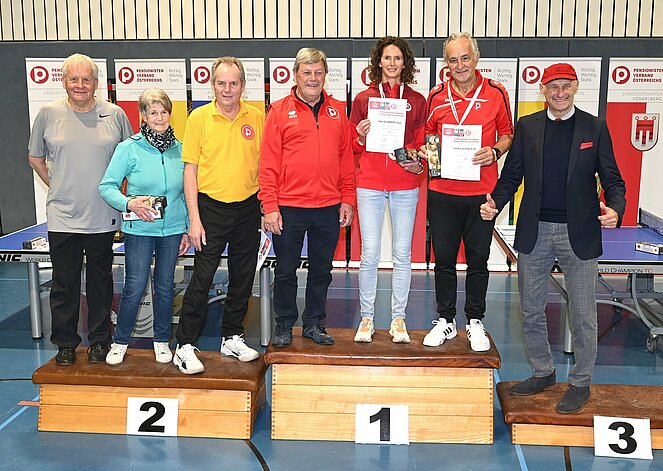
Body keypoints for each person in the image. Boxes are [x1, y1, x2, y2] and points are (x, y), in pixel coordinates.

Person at [480, 63, 626, 414]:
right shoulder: (527, 126)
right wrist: (495, 202)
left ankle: (580, 382)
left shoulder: (594, 126)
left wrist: (616, 209)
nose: (559, 93)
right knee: (531, 309)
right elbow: (512, 174)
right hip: (537, 230)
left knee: (583, 313)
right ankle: (543, 371)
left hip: (580, 232)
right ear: (542, 90)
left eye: (565, 86)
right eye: (553, 87)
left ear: (576, 87)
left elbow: (613, 179)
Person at [28, 53, 133, 366]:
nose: (80, 85)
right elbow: (35, 157)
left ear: (96, 82)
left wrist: (120, 196)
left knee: (101, 283)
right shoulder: (47, 114)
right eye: (74, 79)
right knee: (64, 283)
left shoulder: (115, 115)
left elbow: (131, 159)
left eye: (86, 79)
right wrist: (57, 184)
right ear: (64, 81)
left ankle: (100, 341)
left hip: (103, 215)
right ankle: (65, 344)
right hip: (63, 217)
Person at [422, 32, 514, 352]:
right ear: (445, 64)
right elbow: (429, 136)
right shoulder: (436, 96)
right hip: (443, 191)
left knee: (478, 260)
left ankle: (475, 320)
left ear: (475, 58)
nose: (459, 65)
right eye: (453, 60)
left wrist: (495, 151)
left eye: (465, 58)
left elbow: (508, 134)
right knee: (444, 260)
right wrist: (432, 156)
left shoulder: (496, 92)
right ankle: (445, 319)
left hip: (481, 194)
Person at [172, 57, 264, 374]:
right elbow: (190, 171)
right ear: (212, 85)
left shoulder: (257, 117)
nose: (227, 89)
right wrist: (194, 219)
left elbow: (264, 166)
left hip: (247, 208)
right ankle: (184, 345)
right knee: (202, 278)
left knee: (242, 277)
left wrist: (265, 206)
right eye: (221, 83)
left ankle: (232, 337)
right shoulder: (198, 118)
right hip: (210, 208)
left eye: (233, 83)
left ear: (242, 85)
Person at [260, 47, 356, 347]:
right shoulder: (278, 111)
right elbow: (268, 163)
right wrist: (270, 205)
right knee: (285, 271)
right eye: (307, 73)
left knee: (321, 271)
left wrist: (347, 198)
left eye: (318, 73)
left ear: (325, 75)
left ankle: (314, 323)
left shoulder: (338, 110)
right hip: (289, 206)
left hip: (328, 206)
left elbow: (346, 159)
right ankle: (284, 323)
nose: (313, 78)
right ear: (295, 75)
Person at [99, 89, 190, 365]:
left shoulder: (181, 149)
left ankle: (162, 341)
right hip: (139, 231)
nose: (159, 117)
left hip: (172, 231)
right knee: (135, 286)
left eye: (164, 112)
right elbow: (107, 186)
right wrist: (130, 204)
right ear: (143, 116)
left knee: (165, 286)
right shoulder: (129, 148)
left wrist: (186, 228)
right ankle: (120, 342)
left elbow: (187, 193)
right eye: (153, 112)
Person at [350, 37, 426, 343]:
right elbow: (352, 145)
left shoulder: (417, 100)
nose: (392, 63)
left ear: (405, 63)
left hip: (405, 183)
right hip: (369, 182)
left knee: (402, 254)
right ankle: (366, 318)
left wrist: (415, 159)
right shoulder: (363, 99)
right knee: (369, 254)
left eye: (397, 58)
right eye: (387, 58)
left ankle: (398, 319)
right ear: (378, 62)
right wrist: (360, 135)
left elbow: (420, 142)